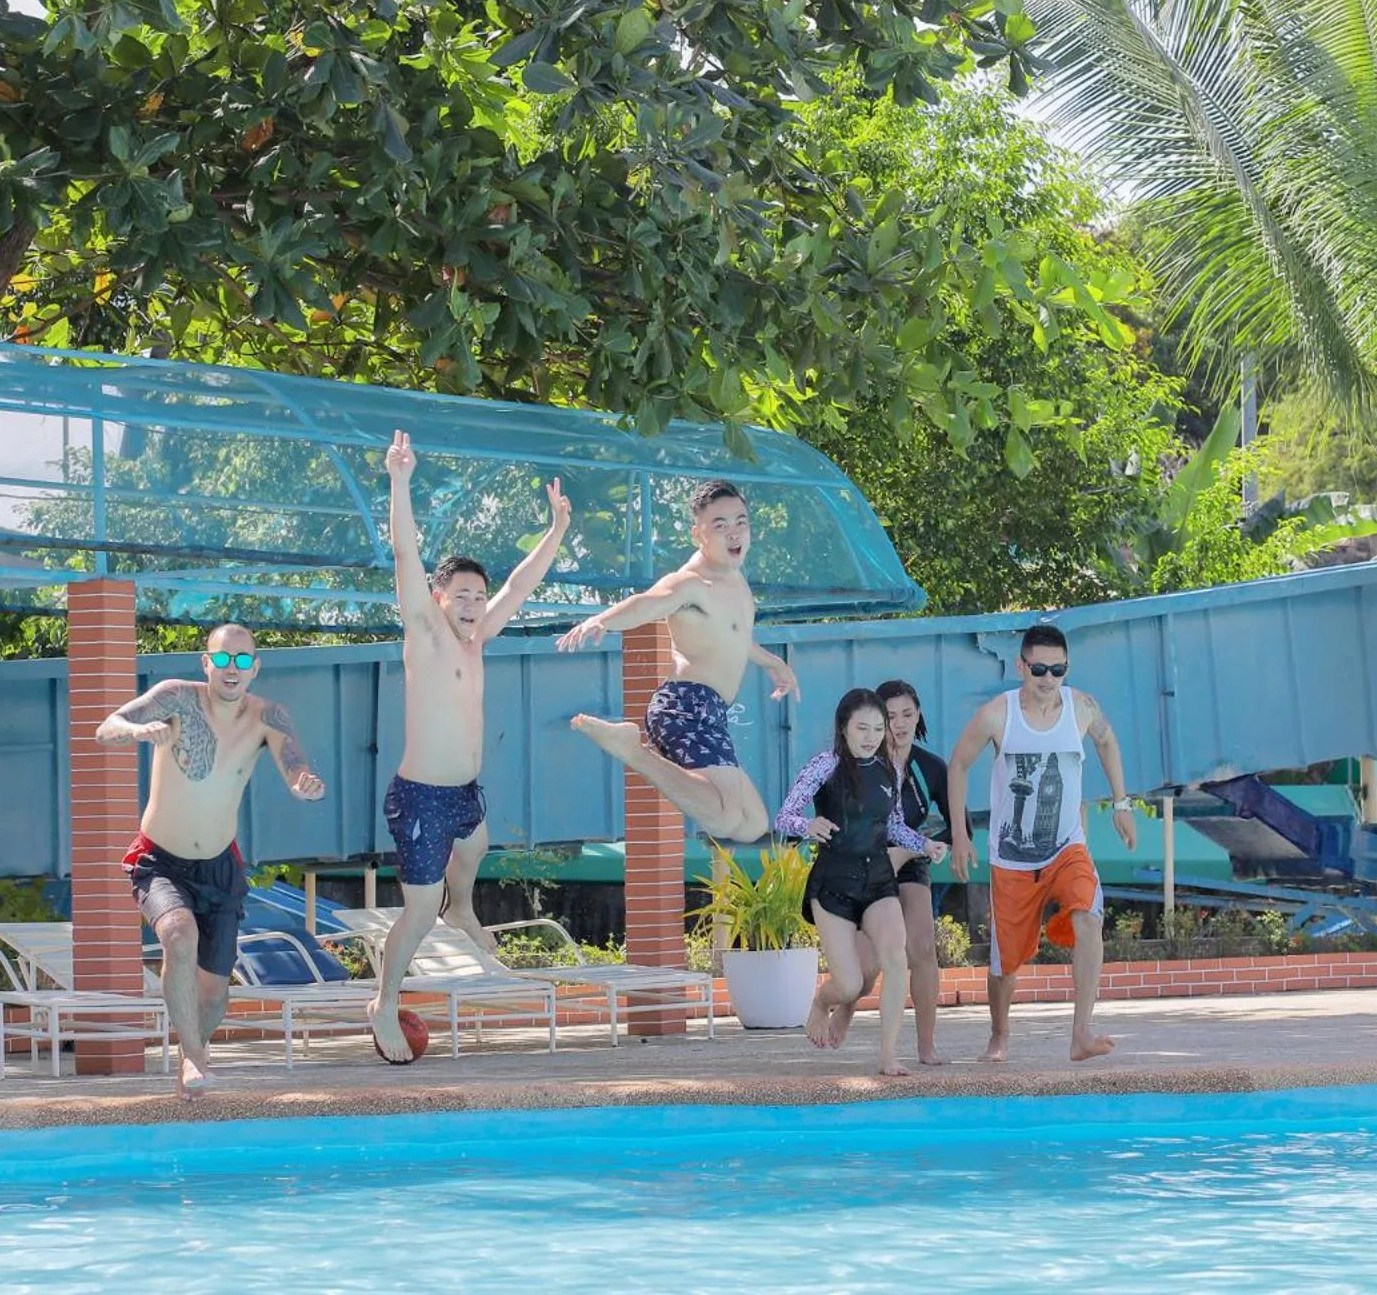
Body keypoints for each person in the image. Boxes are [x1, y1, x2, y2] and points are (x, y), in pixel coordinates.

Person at [367, 430, 572, 1063]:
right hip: (422, 798)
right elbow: (405, 556)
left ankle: (464, 908)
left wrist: (556, 532)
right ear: (437, 600)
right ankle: (383, 1002)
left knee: (477, 844)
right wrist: (399, 483)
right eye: (462, 597)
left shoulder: (477, 640)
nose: (475, 606)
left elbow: (521, 585)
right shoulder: (426, 637)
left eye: (478, 598)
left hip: (462, 794)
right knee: (419, 912)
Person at [95, 624, 325, 1098]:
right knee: (178, 934)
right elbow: (106, 728)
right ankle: (194, 1061)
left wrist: (304, 782)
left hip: (220, 866)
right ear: (207, 663)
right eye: (222, 659)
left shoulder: (268, 716)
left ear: (255, 667)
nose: (232, 669)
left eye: (242, 661)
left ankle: (191, 1054)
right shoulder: (176, 697)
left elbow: (294, 764)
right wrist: (138, 730)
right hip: (158, 859)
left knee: (216, 993)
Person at [556, 479, 799, 842]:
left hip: (710, 709)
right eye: (720, 526)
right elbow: (647, 602)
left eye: (741, 522)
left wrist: (771, 663)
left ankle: (633, 749)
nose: (734, 534)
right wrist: (602, 620)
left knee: (752, 824)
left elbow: (733, 638)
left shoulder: (735, 581)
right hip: (686, 705)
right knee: (723, 818)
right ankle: (632, 751)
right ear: (697, 534)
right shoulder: (691, 583)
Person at [945, 624, 1137, 1064]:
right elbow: (959, 764)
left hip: (1067, 845)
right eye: (1039, 669)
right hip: (1012, 858)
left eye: (1058, 669)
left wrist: (1121, 803)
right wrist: (960, 832)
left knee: (1089, 914)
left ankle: (1081, 1032)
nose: (1048, 678)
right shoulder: (999, 713)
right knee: (1006, 966)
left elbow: (1107, 741)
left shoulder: (1082, 707)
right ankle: (999, 1033)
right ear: (1021, 666)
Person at [772, 688, 945, 1077]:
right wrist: (807, 824)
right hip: (834, 886)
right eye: (862, 728)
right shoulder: (824, 766)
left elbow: (895, 825)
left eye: (878, 729)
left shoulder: (890, 769)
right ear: (844, 729)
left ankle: (887, 1056)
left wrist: (925, 844)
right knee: (849, 985)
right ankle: (822, 1002)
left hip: (878, 880)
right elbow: (784, 817)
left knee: (896, 959)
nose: (871, 737)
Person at [877, 678, 951, 1066]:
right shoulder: (862, 763)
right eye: (889, 717)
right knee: (864, 965)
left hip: (912, 860)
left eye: (907, 714)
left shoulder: (930, 768)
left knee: (921, 947)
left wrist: (938, 846)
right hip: (867, 862)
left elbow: (958, 824)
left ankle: (926, 1044)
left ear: (918, 715)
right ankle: (833, 1009)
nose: (899, 724)